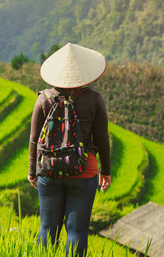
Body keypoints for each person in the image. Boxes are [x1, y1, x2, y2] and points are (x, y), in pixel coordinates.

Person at [27, 43, 112, 257]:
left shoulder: (43, 99)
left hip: (49, 170)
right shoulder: (94, 99)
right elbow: (102, 139)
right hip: (84, 170)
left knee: (47, 227)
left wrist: (32, 172)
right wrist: (106, 171)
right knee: (76, 230)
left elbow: (34, 140)